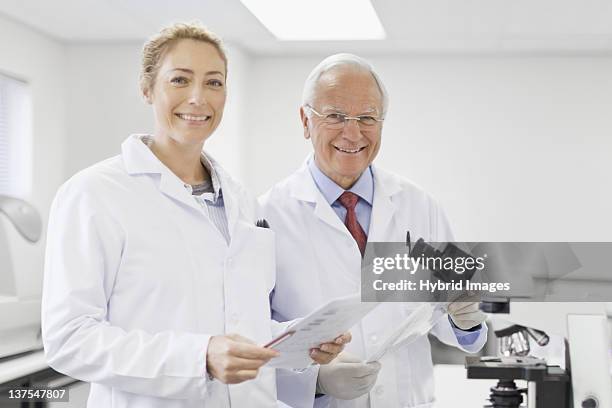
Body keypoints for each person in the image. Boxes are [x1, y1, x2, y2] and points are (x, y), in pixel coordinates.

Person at [41, 23, 347, 408]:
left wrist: (300, 341)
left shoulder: (239, 199)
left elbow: (238, 324)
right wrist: (198, 357)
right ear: (147, 88)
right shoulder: (94, 194)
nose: (198, 98)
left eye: (214, 83)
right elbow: (69, 338)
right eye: (180, 80)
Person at [259, 54, 488, 408]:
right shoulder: (265, 217)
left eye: (367, 118)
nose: (353, 133)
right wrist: (315, 381)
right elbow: (252, 344)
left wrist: (467, 323)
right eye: (335, 116)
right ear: (305, 120)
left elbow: (458, 328)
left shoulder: (420, 207)